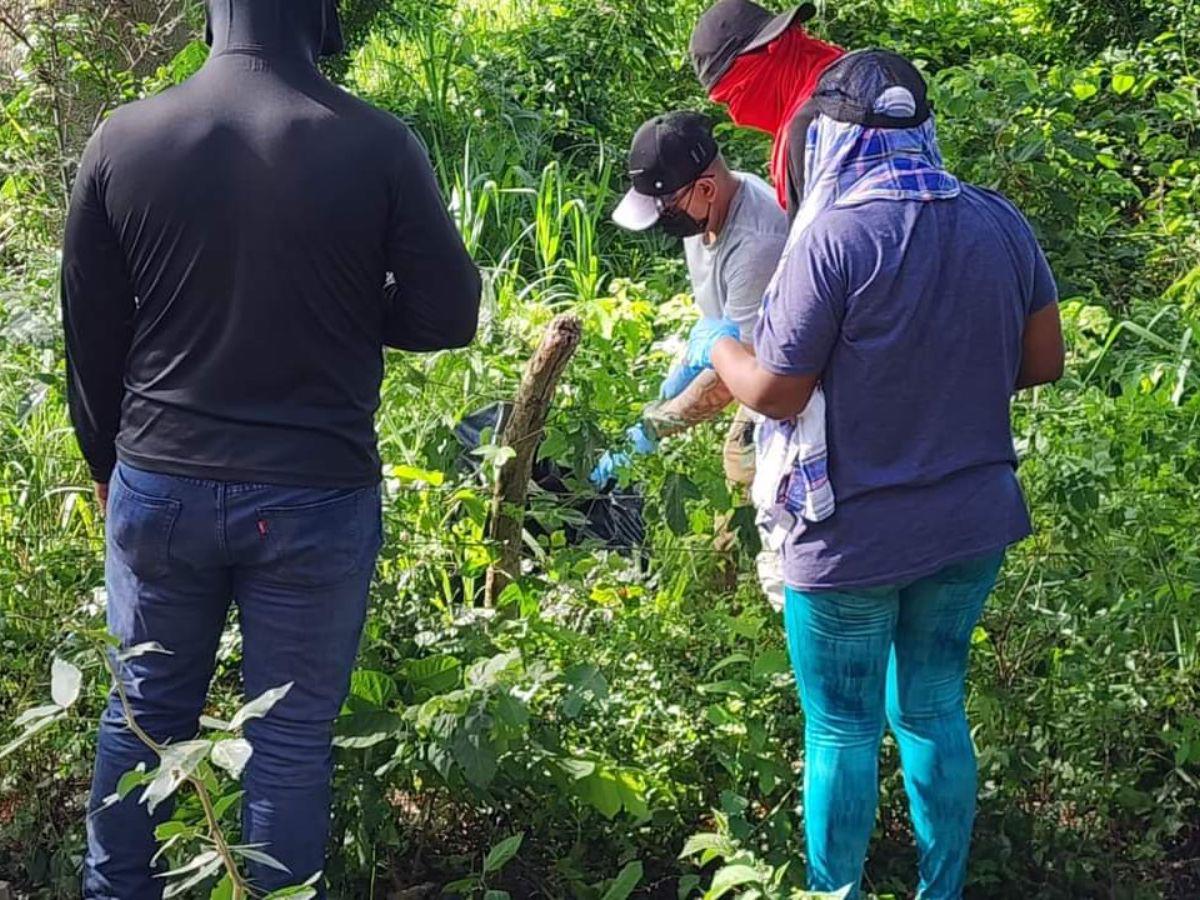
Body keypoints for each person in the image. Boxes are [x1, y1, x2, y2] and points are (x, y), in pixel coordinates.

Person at [61, 1, 480, 895]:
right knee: (288, 742)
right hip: (314, 493)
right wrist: (342, 312)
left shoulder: (125, 138)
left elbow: (89, 338)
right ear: (320, 17)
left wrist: (108, 466)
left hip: (162, 480)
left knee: (143, 720)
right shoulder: (376, 145)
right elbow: (451, 313)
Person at [686, 51, 1065, 898]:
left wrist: (713, 343)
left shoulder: (833, 237)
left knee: (842, 730)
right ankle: (944, 889)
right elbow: (1044, 359)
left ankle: (837, 893)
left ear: (829, 136)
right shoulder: (999, 221)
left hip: (849, 536)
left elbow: (778, 394)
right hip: (971, 523)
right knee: (932, 705)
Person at [601, 110, 789, 606]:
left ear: (705, 188)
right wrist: (678, 376)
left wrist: (654, 426)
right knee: (736, 495)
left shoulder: (757, 242)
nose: (665, 220)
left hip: (782, 383)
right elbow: (717, 324)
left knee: (753, 489)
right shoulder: (704, 216)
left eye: (665, 206)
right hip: (746, 354)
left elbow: (741, 377)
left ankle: (745, 615)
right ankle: (726, 601)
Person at [690, 0, 846, 219]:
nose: (736, 118)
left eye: (731, 99)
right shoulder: (869, 69)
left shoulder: (808, 129)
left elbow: (817, 247)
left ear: (771, 50)